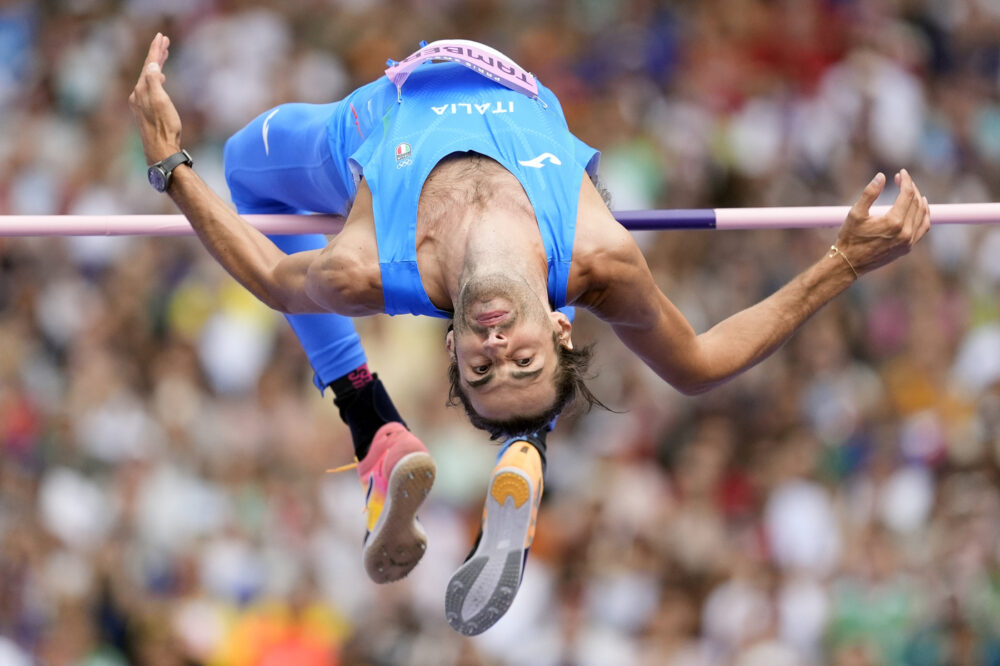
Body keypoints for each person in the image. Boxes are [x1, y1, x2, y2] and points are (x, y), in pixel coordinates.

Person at [128, 33, 931, 635]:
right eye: (521, 357)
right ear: (556, 326)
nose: (493, 344)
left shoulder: (371, 267)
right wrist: (841, 264)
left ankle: (372, 425)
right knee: (567, 262)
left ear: (450, 351)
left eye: (483, 369)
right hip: (530, 137)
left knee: (240, 165)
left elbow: (272, 277)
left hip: (373, 120)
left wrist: (171, 166)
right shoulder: (599, 255)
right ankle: (529, 438)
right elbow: (701, 364)